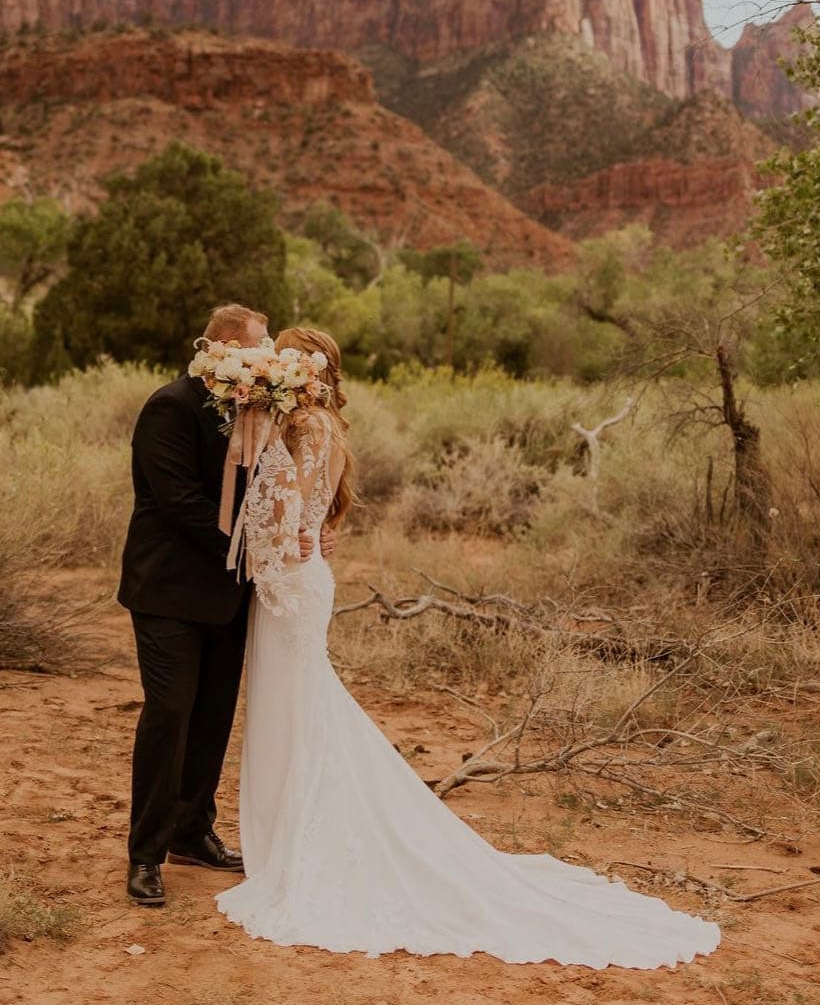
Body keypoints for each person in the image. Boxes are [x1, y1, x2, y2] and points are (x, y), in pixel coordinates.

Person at [215, 326, 721, 968]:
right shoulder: (321, 424)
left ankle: (301, 841)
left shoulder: (308, 427)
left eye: (284, 360)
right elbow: (327, 507)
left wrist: (283, 545)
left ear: (303, 370)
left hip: (292, 579)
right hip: (299, 575)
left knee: (295, 704)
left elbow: (295, 508)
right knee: (296, 702)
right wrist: (309, 530)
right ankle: (290, 833)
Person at [118, 303, 267, 906]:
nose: (267, 358)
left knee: (212, 717)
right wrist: (252, 545)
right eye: (258, 348)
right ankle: (146, 854)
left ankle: (191, 831)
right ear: (223, 348)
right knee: (170, 713)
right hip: (169, 590)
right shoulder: (170, 407)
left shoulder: (254, 412)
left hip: (231, 593)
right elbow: (178, 501)